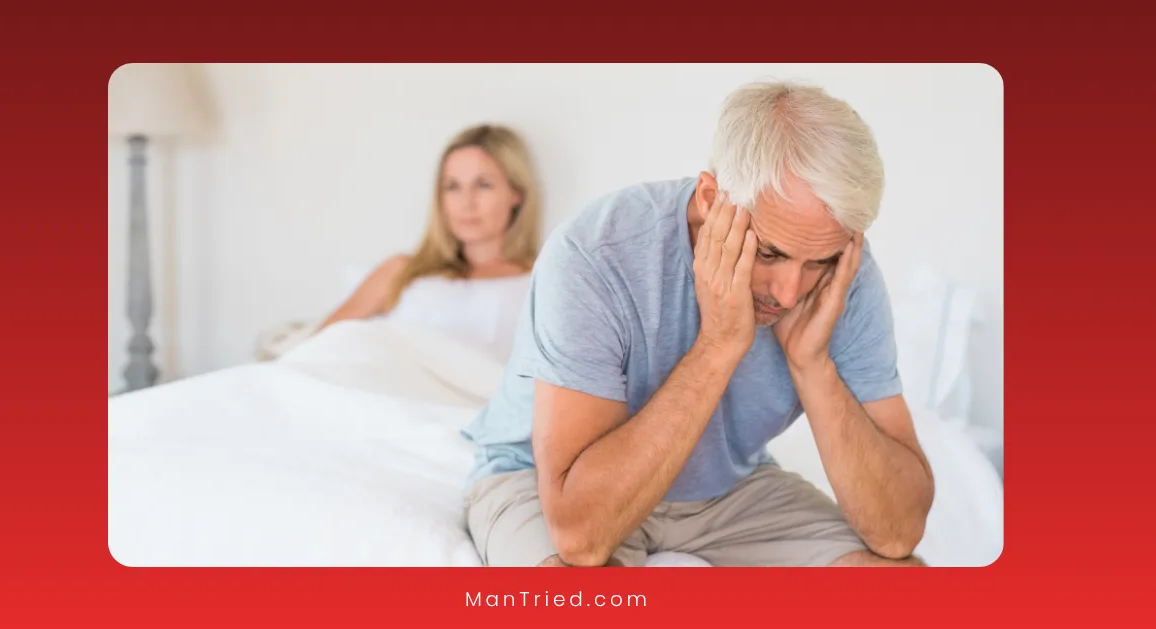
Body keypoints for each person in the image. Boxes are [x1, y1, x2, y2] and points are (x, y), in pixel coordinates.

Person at [460, 81, 935, 567]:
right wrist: (718, 346)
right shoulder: (596, 254)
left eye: (818, 261)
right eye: (769, 253)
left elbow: (898, 534)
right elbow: (580, 536)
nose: (789, 293)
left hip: (725, 491)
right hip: (547, 481)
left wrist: (813, 366)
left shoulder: (844, 273)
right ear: (710, 198)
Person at [316, 124, 542, 363]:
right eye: (452, 187)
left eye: (483, 185)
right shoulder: (402, 272)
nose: (466, 203)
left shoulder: (541, 282)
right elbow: (317, 347)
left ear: (516, 193)